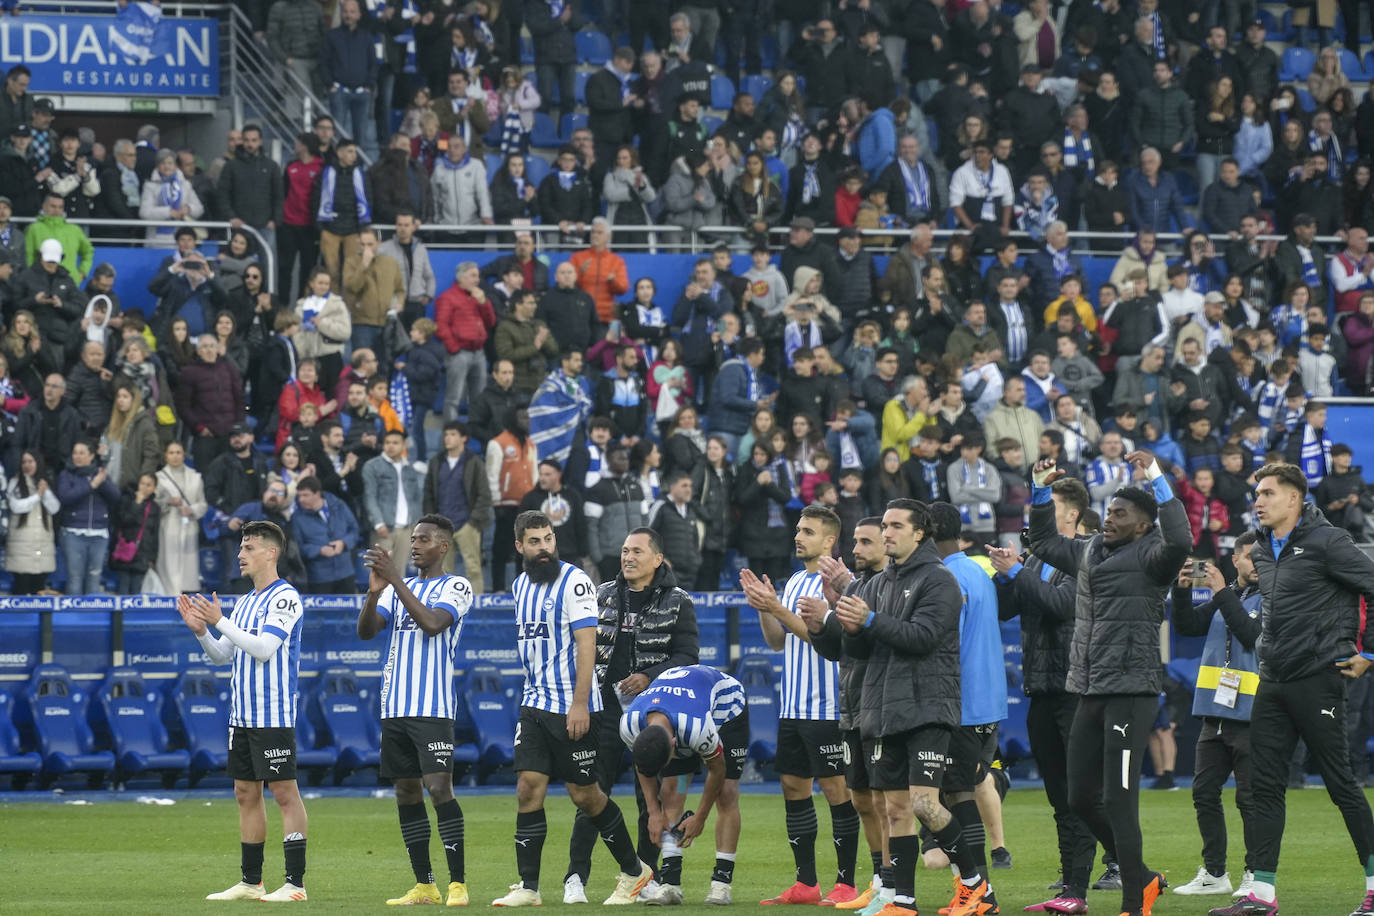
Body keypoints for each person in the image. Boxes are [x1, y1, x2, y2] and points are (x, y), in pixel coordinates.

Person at [1027, 450, 1190, 916]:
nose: (1110, 518)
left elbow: (1180, 536)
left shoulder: (1155, 556)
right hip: (1090, 688)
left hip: (1131, 691)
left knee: (1119, 800)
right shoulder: (1089, 550)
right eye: (1110, 510)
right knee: (1080, 797)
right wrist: (1040, 489)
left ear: (1142, 525)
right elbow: (1042, 539)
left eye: (1120, 513)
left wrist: (1156, 477)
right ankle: (1144, 878)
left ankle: (1134, 902)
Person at [1219, 463, 1374, 916]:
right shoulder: (1263, 549)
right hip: (1274, 680)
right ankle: (1261, 895)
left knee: (1340, 784)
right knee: (1262, 787)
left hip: (1319, 678)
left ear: (1294, 498)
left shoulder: (1330, 541)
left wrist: (1369, 652)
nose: (1258, 501)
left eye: (1267, 493)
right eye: (1256, 494)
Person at [827, 497, 991, 916]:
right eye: (885, 525)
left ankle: (977, 887)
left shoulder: (939, 581)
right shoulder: (879, 583)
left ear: (920, 532)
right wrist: (847, 626)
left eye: (896, 526)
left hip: (929, 706)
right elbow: (860, 650)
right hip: (884, 707)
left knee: (924, 804)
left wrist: (868, 621)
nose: (887, 533)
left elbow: (923, 638)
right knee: (896, 808)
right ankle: (903, 901)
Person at [492, 510, 652, 907]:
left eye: (548, 539)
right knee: (528, 789)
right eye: (534, 541)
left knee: (586, 796)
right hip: (534, 705)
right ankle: (529, 887)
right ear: (519, 546)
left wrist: (581, 703)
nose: (544, 547)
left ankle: (635, 871)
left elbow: (588, 645)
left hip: (573, 706)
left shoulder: (575, 581)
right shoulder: (518, 586)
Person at [563, 527, 699, 903]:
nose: (628, 557)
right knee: (593, 792)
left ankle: (643, 877)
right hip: (604, 709)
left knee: (648, 800)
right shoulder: (601, 594)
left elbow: (688, 656)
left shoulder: (678, 601)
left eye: (637, 551)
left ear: (657, 559)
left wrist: (648, 676)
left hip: (649, 715)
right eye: (624, 550)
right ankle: (575, 877)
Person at [175, 522, 309, 902]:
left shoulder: (285, 598)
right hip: (242, 716)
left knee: (284, 793)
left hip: (273, 714)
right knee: (245, 793)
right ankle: (252, 882)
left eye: (248, 547)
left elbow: (264, 648)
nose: (240, 554)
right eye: (241, 547)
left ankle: (295, 885)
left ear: (271, 553)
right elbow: (223, 655)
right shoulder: (246, 601)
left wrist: (220, 621)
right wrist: (202, 631)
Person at [988, 477, 1103, 912]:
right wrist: (1006, 575)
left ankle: (1087, 884)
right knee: (1059, 795)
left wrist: (1017, 570)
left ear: (1072, 514)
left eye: (1048, 507)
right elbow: (1005, 610)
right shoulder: (1035, 562)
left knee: (1079, 793)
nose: (1036, 518)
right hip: (1042, 689)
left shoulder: (1089, 556)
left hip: (1076, 690)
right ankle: (1070, 883)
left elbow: (1060, 607)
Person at [739, 505, 861, 907]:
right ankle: (806, 883)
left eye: (807, 531)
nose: (798, 536)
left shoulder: (843, 583)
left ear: (829, 540)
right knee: (793, 787)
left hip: (828, 706)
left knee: (837, 790)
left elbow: (822, 639)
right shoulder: (793, 582)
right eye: (797, 529)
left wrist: (776, 608)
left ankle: (846, 883)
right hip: (793, 706)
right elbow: (778, 641)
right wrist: (764, 606)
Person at [356, 515, 475, 907]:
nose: (416, 544)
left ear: (443, 546)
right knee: (406, 791)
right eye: (414, 539)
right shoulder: (393, 589)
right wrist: (375, 593)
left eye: (424, 539)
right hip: (395, 706)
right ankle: (425, 885)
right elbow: (367, 631)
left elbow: (432, 623)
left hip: (432, 707)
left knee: (439, 787)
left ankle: (457, 883)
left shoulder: (456, 586)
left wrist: (396, 580)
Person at [804, 517, 891, 910]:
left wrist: (838, 600)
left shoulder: (885, 587)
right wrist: (822, 625)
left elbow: (881, 637)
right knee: (860, 798)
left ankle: (893, 883)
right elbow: (842, 649)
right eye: (854, 541)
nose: (854, 549)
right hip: (851, 703)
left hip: (883, 705)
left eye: (865, 542)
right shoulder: (856, 587)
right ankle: (878, 879)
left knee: (887, 800)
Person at [1168, 533, 1262, 900]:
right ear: (1235, 558)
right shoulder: (1229, 596)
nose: (1256, 564)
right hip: (1214, 711)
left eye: (1261, 558)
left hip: (1253, 713)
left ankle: (1256, 873)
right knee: (1204, 792)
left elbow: (1252, 634)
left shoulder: (1271, 597)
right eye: (1250, 557)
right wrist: (1180, 590)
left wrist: (1221, 592)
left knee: (1250, 798)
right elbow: (1188, 626)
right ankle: (1215, 873)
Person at [621, 663, 748, 906]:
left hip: (726, 707)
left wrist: (700, 816)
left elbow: (717, 768)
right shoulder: (629, 725)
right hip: (676, 709)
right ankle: (670, 885)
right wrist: (653, 813)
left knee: (727, 793)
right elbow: (643, 766)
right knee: (670, 791)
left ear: (673, 743)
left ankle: (721, 885)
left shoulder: (697, 728)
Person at [55, 440, 120, 596]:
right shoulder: (66, 474)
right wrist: (91, 485)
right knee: (75, 578)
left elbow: (116, 498)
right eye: (75, 453)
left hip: (98, 533)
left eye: (82, 453)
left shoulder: (100, 474)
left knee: (94, 578)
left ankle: (92, 616)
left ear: (91, 456)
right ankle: (73, 618)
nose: (77, 456)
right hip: (73, 532)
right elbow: (65, 497)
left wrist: (101, 482)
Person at [153, 440, 208, 595]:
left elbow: (203, 504)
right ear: (166, 456)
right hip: (168, 524)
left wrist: (191, 509)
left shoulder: (195, 477)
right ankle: (169, 595)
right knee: (169, 563)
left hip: (189, 525)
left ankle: (188, 594)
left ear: (184, 455)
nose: (175, 456)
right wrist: (169, 501)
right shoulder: (159, 477)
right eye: (171, 453)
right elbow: (154, 502)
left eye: (178, 452)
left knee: (189, 565)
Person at [291, 475, 361, 594]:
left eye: (305, 495)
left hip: (346, 572)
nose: (301, 499)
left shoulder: (339, 506)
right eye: (299, 495)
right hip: (319, 578)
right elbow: (298, 548)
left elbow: (354, 530)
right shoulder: (297, 518)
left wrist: (343, 543)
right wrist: (319, 550)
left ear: (318, 494)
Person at [6, 450, 60, 595]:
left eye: (31, 462)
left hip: (42, 547)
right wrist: (38, 496)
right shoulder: (15, 482)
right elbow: (16, 506)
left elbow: (54, 508)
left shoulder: (45, 482)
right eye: (24, 462)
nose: (27, 465)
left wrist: (45, 491)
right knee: (22, 590)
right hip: (21, 549)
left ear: (38, 463)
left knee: (39, 591)